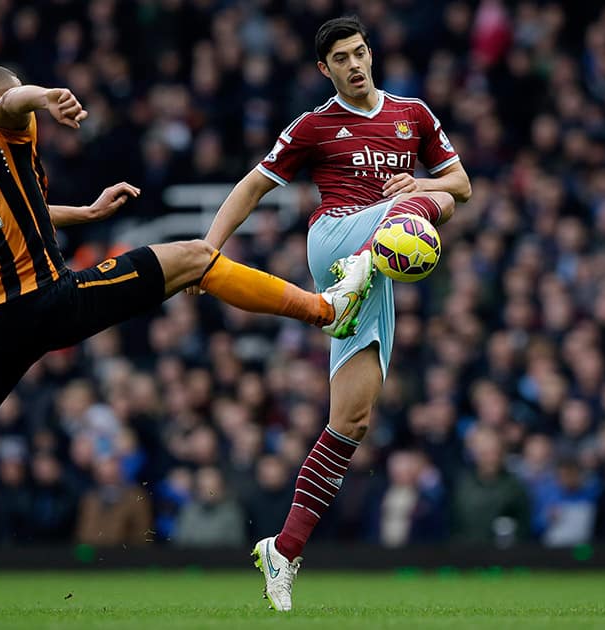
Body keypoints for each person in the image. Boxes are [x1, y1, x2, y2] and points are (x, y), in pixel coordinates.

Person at [0, 63, 373, 614]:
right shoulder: (3, 121)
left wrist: (84, 212)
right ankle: (325, 310)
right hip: (47, 301)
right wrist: (44, 97)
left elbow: (17, 216)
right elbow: (13, 106)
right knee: (195, 257)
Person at [197, 17, 471, 611]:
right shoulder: (313, 125)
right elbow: (251, 187)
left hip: (379, 267)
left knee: (353, 419)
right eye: (341, 58)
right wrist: (207, 249)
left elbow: (462, 182)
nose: (355, 64)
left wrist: (414, 187)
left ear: (371, 54)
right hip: (336, 236)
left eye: (360, 52)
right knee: (428, 206)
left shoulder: (413, 114)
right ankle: (360, 266)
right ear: (325, 69)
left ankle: (284, 549)